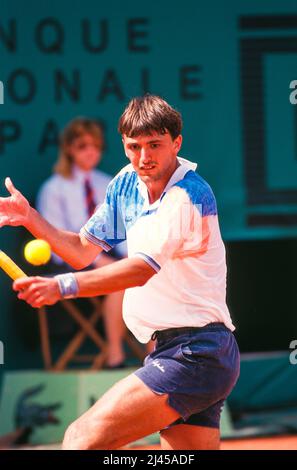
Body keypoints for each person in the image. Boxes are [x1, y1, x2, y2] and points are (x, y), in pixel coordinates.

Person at [0, 95, 240, 450]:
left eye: (155, 145)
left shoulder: (186, 196)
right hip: (179, 351)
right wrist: (31, 219)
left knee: (81, 439)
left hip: (196, 354)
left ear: (177, 143)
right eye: (134, 146)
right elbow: (82, 250)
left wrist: (62, 286)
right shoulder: (127, 182)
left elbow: (140, 270)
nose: (144, 157)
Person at [36, 117, 127, 369]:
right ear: (68, 148)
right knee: (118, 280)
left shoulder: (109, 183)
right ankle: (115, 358)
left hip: (110, 257)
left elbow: (124, 228)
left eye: (96, 146)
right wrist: (100, 260)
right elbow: (55, 242)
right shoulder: (53, 189)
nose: (90, 152)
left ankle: (154, 356)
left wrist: (135, 258)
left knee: (144, 273)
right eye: (82, 146)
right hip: (68, 263)